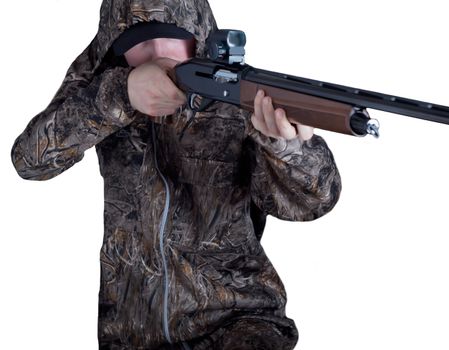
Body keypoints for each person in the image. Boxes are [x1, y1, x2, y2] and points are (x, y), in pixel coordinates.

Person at [11, 0, 341, 349]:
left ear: (197, 38)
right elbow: (30, 161)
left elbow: (313, 203)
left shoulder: (242, 94)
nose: (157, 55)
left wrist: (288, 148)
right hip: (131, 332)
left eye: (171, 38)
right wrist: (119, 95)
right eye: (138, 42)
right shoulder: (104, 81)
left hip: (239, 322)